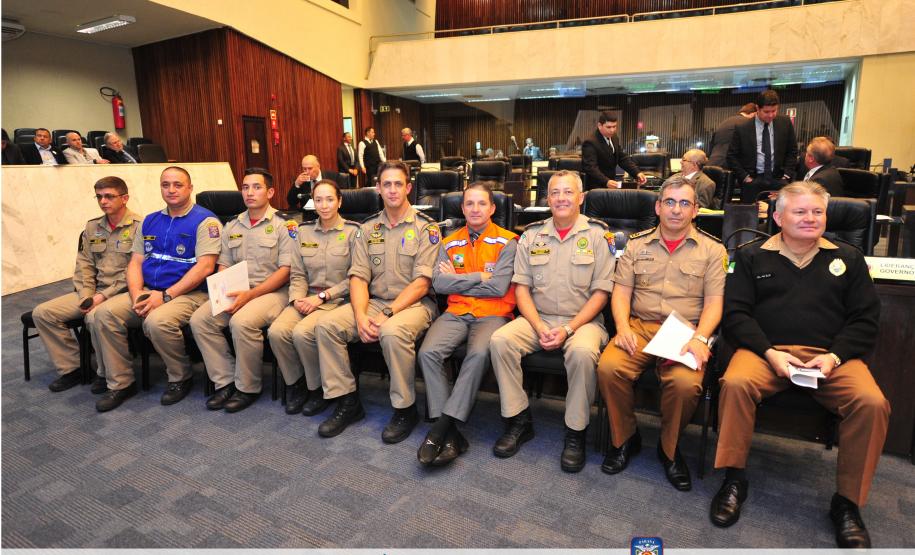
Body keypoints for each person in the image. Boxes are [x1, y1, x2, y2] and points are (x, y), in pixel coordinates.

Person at [710, 181, 889, 548]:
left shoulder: (849, 258)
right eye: (800, 211)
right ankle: (734, 477)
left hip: (831, 357)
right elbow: (736, 314)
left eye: (817, 212)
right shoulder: (751, 255)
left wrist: (835, 356)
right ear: (778, 217)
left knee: (872, 404)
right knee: (735, 383)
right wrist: (769, 352)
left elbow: (865, 320)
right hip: (767, 351)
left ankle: (847, 502)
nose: (810, 218)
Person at [596, 176, 726, 491]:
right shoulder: (636, 245)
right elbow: (621, 294)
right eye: (669, 202)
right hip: (640, 326)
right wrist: (623, 327)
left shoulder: (712, 250)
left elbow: (714, 304)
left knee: (684, 384)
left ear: (696, 210)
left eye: (685, 203)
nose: (676, 210)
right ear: (658, 207)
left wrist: (700, 338)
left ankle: (669, 450)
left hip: (684, 331)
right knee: (609, 368)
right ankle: (625, 438)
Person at [489, 170, 615, 472]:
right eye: (555, 192)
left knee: (582, 353)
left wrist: (569, 329)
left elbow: (601, 293)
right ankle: (519, 420)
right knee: (500, 341)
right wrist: (540, 326)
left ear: (581, 198)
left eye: (568, 192)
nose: (561, 198)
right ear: (547, 198)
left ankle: (575, 432)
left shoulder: (599, 235)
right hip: (539, 318)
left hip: (583, 322)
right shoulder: (532, 235)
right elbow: (521, 288)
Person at [314, 160, 439, 443]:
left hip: (415, 304)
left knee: (392, 332)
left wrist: (386, 314)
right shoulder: (367, 228)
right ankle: (347, 402)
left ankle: (405, 409)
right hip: (374, 300)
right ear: (378, 188)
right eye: (386, 185)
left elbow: (422, 283)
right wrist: (360, 316)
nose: (392, 190)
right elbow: (358, 277)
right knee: (327, 325)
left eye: (398, 184)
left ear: (408, 188)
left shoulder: (426, 228)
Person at [92, 166, 222, 411]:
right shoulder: (150, 220)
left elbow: (205, 268)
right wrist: (137, 294)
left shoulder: (206, 221)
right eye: (165, 185)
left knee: (157, 321)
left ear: (190, 188)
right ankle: (121, 383)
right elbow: (136, 262)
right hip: (149, 289)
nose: (171, 190)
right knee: (103, 314)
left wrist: (165, 296)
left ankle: (180, 376)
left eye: (177, 184)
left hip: (190, 293)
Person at [416, 183, 518, 467]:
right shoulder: (449, 242)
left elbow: (499, 288)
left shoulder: (508, 241)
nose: (475, 209)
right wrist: (480, 278)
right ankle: (450, 436)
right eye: (469, 204)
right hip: (457, 312)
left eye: (481, 203)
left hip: (493, 314)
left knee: (478, 354)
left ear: (492, 208)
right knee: (428, 353)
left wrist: (462, 280)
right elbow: (439, 284)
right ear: (462, 209)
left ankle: (440, 429)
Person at [189, 168, 294, 412]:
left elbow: (286, 271)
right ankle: (225, 381)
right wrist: (221, 291)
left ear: (270, 192)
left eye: (256, 187)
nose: (249, 192)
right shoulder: (232, 226)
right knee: (200, 320)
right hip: (237, 290)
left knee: (242, 322)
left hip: (273, 292)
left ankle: (247, 387)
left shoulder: (284, 225)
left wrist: (251, 295)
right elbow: (224, 264)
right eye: (245, 187)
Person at [32, 176, 141, 394]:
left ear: (125, 198)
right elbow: (84, 265)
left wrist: (102, 297)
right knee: (43, 313)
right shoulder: (92, 227)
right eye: (99, 197)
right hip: (92, 291)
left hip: (124, 291)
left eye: (109, 196)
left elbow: (136, 270)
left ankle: (107, 372)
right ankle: (74, 369)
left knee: (94, 317)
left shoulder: (140, 226)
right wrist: (86, 295)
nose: (103, 202)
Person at [267, 179, 360, 416]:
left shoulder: (353, 232)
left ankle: (316, 388)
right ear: (312, 202)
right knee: (277, 332)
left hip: (338, 301)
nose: (324, 205)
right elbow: (297, 273)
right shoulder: (303, 231)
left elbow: (357, 277)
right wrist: (297, 298)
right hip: (306, 298)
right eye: (318, 200)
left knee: (301, 333)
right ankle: (297, 384)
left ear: (339, 201)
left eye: (330, 199)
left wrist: (322, 296)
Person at [727, 90, 798, 203]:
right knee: (751, 217)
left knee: (779, 216)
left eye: (774, 111)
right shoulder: (743, 128)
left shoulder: (785, 123)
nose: (771, 115)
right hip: (753, 180)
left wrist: (787, 175)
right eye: (766, 111)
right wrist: (745, 177)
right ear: (757, 108)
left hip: (778, 179)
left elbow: (792, 151)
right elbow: (731, 156)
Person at [581, 112, 646, 190]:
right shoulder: (590, 142)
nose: (612, 130)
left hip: (611, 184)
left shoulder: (614, 137)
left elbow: (622, 158)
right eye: (608, 127)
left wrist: (637, 172)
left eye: (614, 126)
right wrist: (606, 181)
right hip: (596, 187)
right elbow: (590, 167)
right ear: (599, 126)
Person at [708, 103, 757, 168]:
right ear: (754, 114)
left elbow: (712, 146)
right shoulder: (748, 123)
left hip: (711, 164)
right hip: (729, 168)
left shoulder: (725, 122)